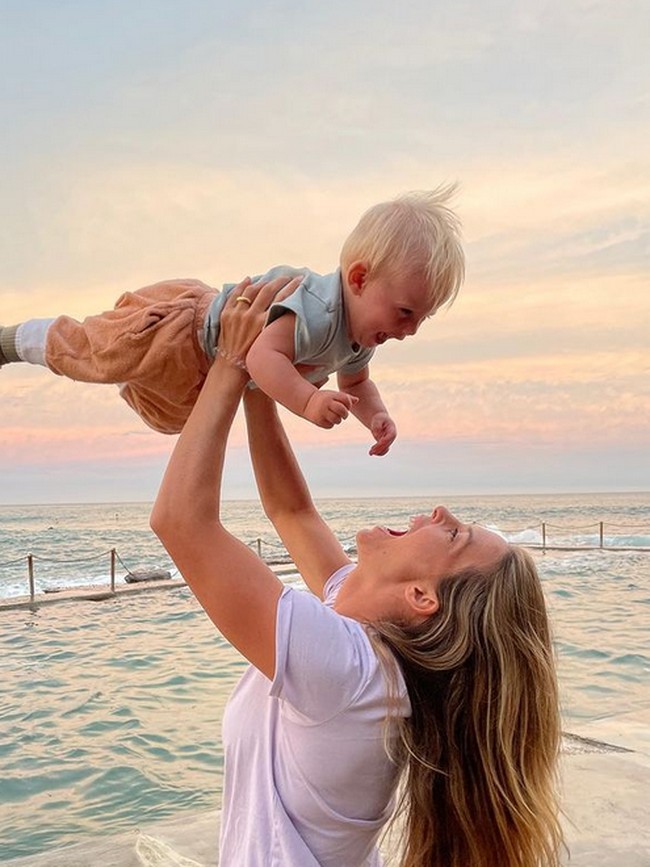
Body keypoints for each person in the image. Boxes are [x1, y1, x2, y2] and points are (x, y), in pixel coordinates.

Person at [150, 276, 564, 867]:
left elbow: (181, 523)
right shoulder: (365, 634)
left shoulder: (349, 674)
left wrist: (230, 363)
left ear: (422, 595)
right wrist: (266, 378)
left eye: (454, 533)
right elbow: (291, 510)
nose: (440, 511)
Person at [0, 188, 464, 457]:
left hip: (203, 372)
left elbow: (358, 384)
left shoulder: (361, 338)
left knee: (172, 420)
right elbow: (262, 355)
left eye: (421, 319)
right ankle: (18, 341)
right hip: (182, 329)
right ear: (359, 278)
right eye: (405, 312)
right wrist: (306, 401)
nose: (410, 330)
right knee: (98, 353)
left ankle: (131, 375)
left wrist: (375, 416)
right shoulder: (317, 305)